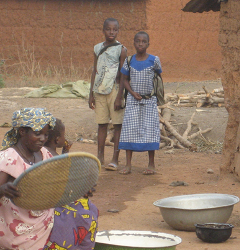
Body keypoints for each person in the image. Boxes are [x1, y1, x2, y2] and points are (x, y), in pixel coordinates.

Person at [0, 108, 56, 250]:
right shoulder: (7, 159)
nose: (43, 139)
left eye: (46, 134)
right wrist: (1, 190)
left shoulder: (45, 155)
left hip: (43, 233)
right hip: (14, 239)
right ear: (22, 131)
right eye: (37, 133)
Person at [43, 119, 99, 250]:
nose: (65, 138)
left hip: (50, 200)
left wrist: (64, 152)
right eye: (63, 135)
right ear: (57, 140)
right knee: (89, 210)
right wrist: (84, 189)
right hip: (56, 205)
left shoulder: (41, 155)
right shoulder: (58, 160)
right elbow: (66, 185)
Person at [118, 31, 162, 175]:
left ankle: (151, 164)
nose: (140, 44)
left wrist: (153, 94)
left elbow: (157, 77)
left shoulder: (154, 60)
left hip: (149, 101)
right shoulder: (129, 61)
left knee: (150, 130)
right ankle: (128, 165)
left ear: (148, 44)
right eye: (138, 41)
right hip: (133, 101)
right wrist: (132, 92)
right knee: (129, 130)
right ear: (134, 43)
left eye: (144, 42)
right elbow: (124, 80)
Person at [88, 18, 127, 171]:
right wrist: (91, 93)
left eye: (115, 29)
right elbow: (95, 70)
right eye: (108, 29)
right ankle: (100, 157)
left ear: (118, 31)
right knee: (101, 124)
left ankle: (115, 159)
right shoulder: (97, 48)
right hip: (99, 91)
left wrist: (120, 96)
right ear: (103, 30)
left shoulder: (121, 49)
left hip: (115, 90)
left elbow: (123, 74)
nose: (111, 32)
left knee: (117, 125)